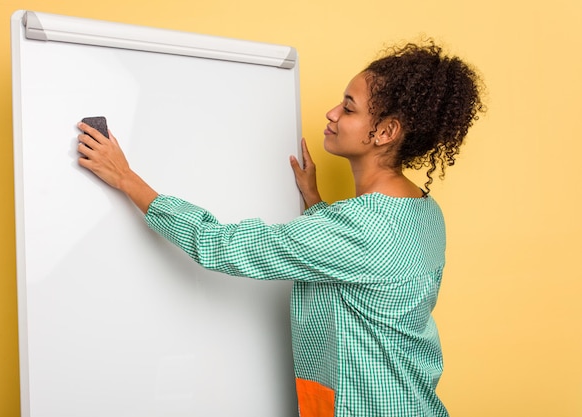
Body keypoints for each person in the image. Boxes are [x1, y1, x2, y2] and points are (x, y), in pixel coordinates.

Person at [77, 40, 485, 417]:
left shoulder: (356, 229)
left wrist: (126, 177)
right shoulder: (424, 211)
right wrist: (315, 204)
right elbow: (364, 274)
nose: (332, 113)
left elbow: (219, 245)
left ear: (386, 132)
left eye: (349, 107)